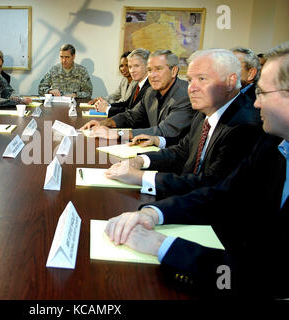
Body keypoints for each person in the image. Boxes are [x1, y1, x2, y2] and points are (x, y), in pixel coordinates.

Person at [105, 41, 289, 298]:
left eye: (262, 94)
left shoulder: (247, 127)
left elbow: (267, 273)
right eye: (191, 79)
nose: (256, 105)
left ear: (230, 80)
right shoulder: (273, 140)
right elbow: (221, 192)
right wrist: (153, 212)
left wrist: (163, 245)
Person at [105, 49, 263, 200]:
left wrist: (142, 177)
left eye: (202, 79)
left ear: (230, 81)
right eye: (189, 80)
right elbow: (182, 150)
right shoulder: (205, 113)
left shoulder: (244, 125)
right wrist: (141, 160)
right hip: (186, 196)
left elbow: (211, 185)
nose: (192, 88)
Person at [81, 50, 194, 143]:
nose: (152, 75)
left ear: (174, 71)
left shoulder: (185, 94)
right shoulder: (151, 92)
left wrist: (117, 133)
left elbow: (164, 131)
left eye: (158, 69)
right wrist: (103, 123)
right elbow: (132, 115)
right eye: (149, 70)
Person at [91, 48, 150, 118]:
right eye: (130, 67)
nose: (132, 71)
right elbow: (126, 104)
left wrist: (107, 109)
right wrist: (108, 105)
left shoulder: (150, 87)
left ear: (147, 66)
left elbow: (133, 113)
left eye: (136, 66)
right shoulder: (138, 85)